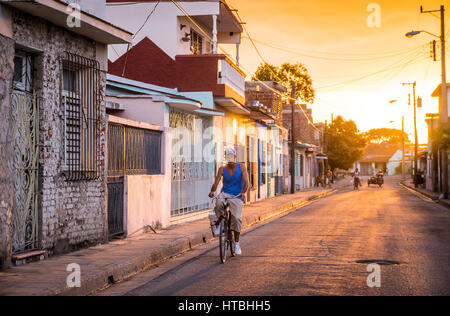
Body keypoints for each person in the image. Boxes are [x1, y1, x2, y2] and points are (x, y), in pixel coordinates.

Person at [209, 148, 249, 256]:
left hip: (236, 195)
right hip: (225, 194)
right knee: (218, 204)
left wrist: (243, 192)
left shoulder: (241, 167)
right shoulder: (222, 169)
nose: (230, 159)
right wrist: (212, 191)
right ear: (226, 158)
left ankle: (236, 243)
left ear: (235, 157)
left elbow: (246, 182)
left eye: (232, 156)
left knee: (236, 218)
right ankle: (224, 223)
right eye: (228, 156)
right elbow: (216, 182)